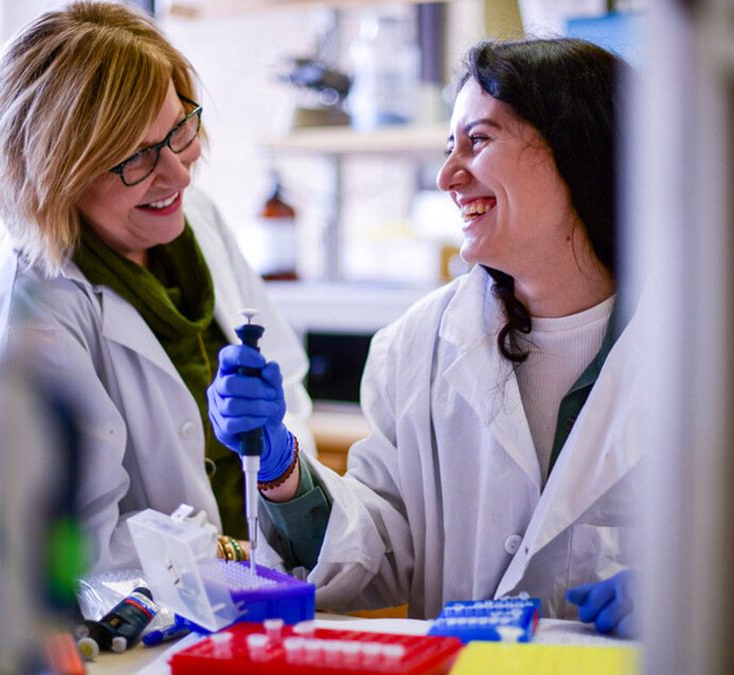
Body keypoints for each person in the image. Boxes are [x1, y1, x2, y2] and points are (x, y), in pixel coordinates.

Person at [208, 37, 641, 636]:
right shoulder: (419, 345)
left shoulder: (718, 347)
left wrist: (694, 591)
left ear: (581, 149)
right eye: (448, 146)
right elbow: (378, 555)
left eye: (479, 141)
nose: (447, 175)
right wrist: (282, 471)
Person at [0, 1, 314, 573]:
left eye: (178, 130)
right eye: (137, 157)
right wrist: (223, 555)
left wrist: (284, 479)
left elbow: (287, 388)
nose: (178, 172)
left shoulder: (195, 217)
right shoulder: (40, 305)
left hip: (272, 583)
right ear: (57, 172)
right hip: (151, 634)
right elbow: (58, 549)